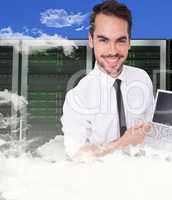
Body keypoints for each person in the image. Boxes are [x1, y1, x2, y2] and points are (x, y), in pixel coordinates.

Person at [61, 0, 154, 158]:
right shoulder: (77, 97)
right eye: (103, 40)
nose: (112, 51)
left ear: (129, 41)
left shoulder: (142, 78)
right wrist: (122, 143)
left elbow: (151, 129)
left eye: (120, 40)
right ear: (91, 40)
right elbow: (78, 155)